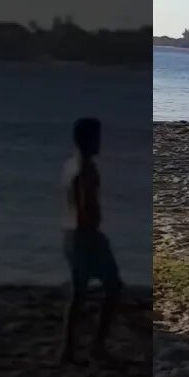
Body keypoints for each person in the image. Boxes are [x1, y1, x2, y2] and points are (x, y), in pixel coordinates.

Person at [58, 117, 123, 364]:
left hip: (69, 233)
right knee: (113, 288)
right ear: (88, 139)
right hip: (86, 235)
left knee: (78, 293)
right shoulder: (86, 168)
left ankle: (69, 348)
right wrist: (94, 226)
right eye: (97, 137)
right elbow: (86, 203)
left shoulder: (69, 165)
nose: (100, 143)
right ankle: (97, 345)